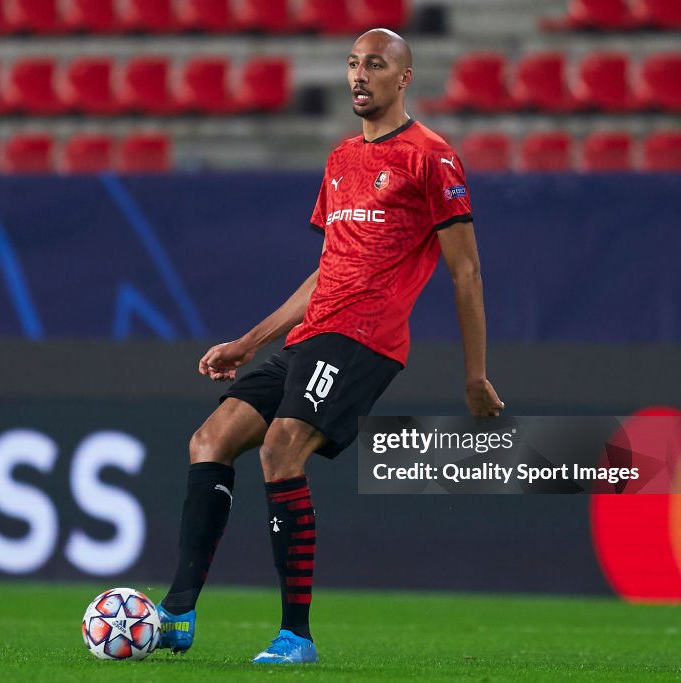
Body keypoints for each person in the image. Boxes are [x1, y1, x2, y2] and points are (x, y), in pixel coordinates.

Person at [156, 28, 504, 664]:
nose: (358, 75)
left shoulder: (433, 157)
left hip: (366, 339)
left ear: (404, 78)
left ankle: (297, 635)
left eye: (375, 64)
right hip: (312, 334)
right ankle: (177, 612)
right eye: (351, 64)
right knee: (210, 441)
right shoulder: (342, 159)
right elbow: (329, 267)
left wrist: (475, 375)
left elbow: (467, 271)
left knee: (283, 448)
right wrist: (250, 341)